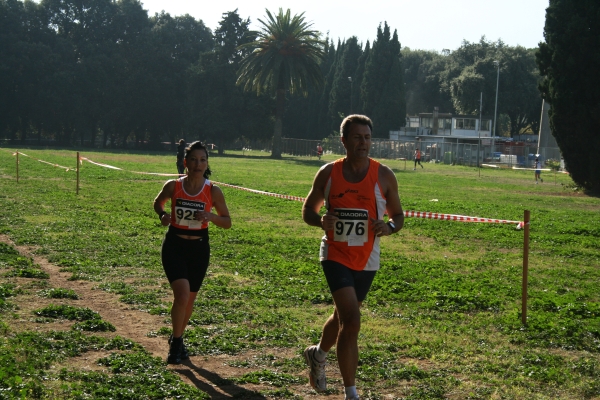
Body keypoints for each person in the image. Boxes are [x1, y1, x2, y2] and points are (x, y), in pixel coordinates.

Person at [302, 114, 404, 399]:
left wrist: (389, 226)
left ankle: (318, 355)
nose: (363, 143)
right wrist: (320, 220)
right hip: (335, 253)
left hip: (367, 257)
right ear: (344, 140)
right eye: (357, 137)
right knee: (353, 320)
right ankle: (351, 392)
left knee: (342, 316)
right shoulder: (328, 173)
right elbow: (308, 210)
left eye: (368, 137)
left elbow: (398, 217)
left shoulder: (383, 174)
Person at [153, 141, 231, 364]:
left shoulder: (213, 191)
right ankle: (176, 343)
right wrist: (162, 215)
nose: (199, 164)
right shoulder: (174, 186)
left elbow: (227, 222)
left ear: (207, 163)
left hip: (199, 249)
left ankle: (177, 337)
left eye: (203, 160)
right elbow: (158, 203)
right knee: (182, 295)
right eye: (194, 160)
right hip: (175, 246)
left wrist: (211, 217)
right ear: (185, 162)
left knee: (189, 301)